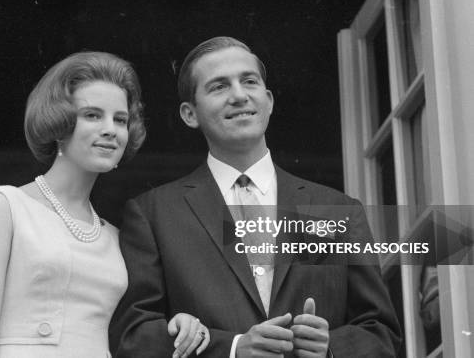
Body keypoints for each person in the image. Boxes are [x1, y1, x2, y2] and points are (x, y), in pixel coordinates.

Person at [110, 37, 401, 357]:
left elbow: (381, 333)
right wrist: (233, 349)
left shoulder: (339, 211)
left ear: (269, 100)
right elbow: (134, 336)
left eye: (249, 81)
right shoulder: (153, 214)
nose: (239, 95)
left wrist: (332, 348)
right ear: (189, 114)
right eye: (219, 86)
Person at [0, 51, 210, 358]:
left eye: (120, 119)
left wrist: (178, 324)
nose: (110, 129)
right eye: (92, 115)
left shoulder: (116, 237)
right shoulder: (5, 206)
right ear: (59, 121)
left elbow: (129, 329)